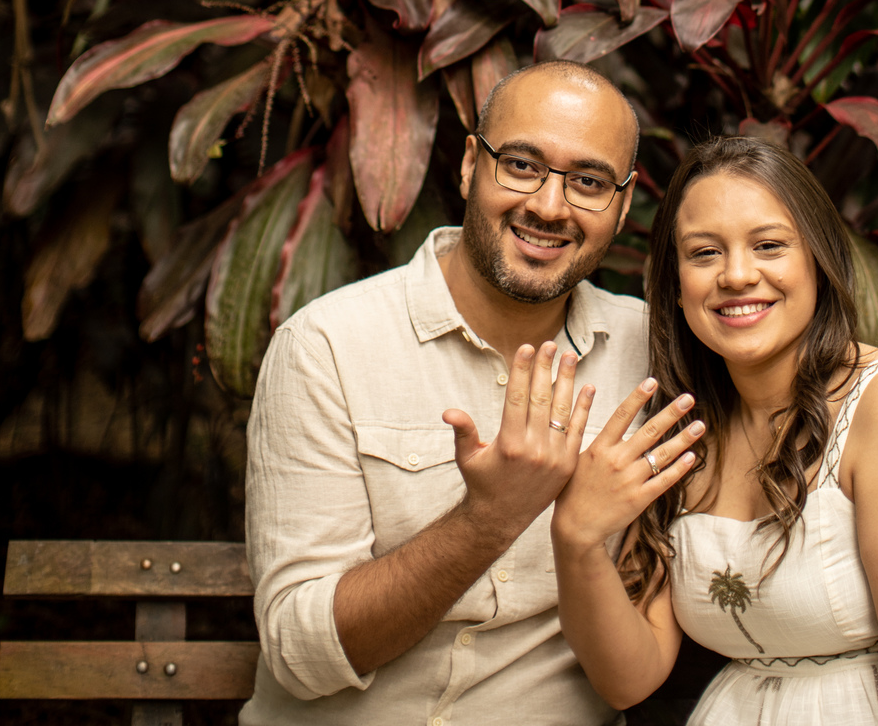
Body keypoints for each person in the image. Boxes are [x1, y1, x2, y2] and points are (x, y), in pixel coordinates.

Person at [550, 134, 878, 726]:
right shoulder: (684, 429)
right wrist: (578, 540)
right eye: (704, 253)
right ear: (675, 285)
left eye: (769, 245)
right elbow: (628, 679)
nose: (737, 275)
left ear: (819, 259)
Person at [239, 59, 647, 725]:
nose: (548, 205)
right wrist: (489, 518)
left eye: (589, 182)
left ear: (623, 206)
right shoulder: (328, 347)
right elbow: (298, 654)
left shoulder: (653, 352)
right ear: (468, 167)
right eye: (521, 165)